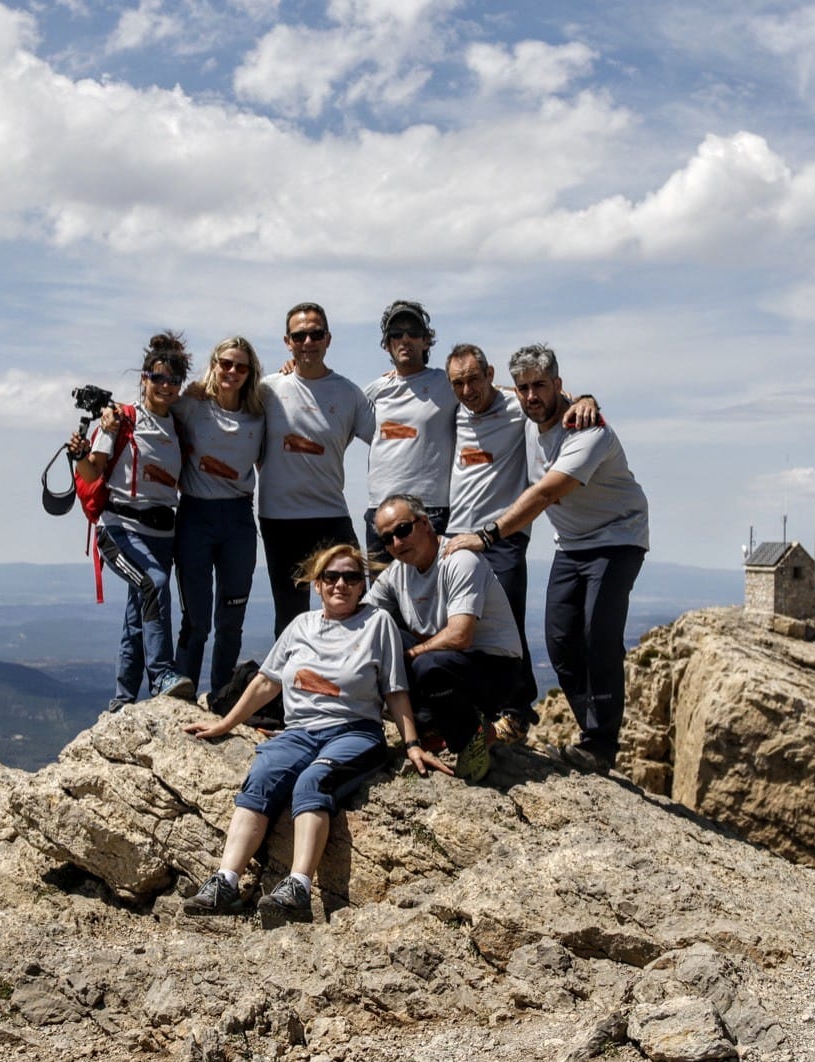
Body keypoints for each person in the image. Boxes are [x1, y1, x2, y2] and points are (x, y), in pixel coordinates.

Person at [182, 543, 450, 924]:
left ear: (362, 585)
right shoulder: (301, 626)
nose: (341, 584)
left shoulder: (377, 624)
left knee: (312, 782)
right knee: (260, 777)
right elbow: (266, 683)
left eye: (351, 577)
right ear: (317, 584)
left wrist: (411, 744)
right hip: (299, 732)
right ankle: (225, 882)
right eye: (331, 576)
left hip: (354, 733)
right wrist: (226, 724)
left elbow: (394, 690)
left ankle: (298, 889)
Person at [443, 344, 648, 774]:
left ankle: (600, 745)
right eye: (524, 388)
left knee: (597, 635)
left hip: (617, 539)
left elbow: (545, 493)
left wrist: (487, 535)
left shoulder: (589, 432)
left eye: (540, 385)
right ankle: (591, 734)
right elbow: (482, 388)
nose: (531, 395)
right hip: (571, 545)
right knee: (559, 641)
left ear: (559, 385)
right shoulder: (525, 415)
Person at [68, 333, 196, 711]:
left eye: (174, 380)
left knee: (137, 616)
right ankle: (161, 676)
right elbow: (92, 474)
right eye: (159, 378)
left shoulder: (177, 427)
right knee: (154, 584)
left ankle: (123, 699)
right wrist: (80, 454)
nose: (166, 386)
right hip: (120, 528)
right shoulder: (122, 421)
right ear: (144, 378)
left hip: (161, 534)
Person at [364, 493, 525, 783]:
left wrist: (412, 655)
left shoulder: (459, 560)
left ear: (424, 523)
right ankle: (430, 726)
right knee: (383, 635)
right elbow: (364, 619)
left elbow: (461, 635)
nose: (397, 543)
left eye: (403, 530)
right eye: (388, 539)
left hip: (496, 671)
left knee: (428, 665)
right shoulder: (397, 573)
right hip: (448, 664)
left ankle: (472, 737)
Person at [257, 302, 373, 637]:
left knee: (354, 601)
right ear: (287, 341)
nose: (308, 341)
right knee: (290, 612)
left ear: (328, 339)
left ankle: (350, 679)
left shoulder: (349, 393)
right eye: (300, 335)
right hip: (279, 518)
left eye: (315, 334)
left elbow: (385, 440)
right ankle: (288, 686)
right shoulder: (267, 389)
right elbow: (228, 410)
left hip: (329, 513)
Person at [171, 336, 266, 698]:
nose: (232, 371)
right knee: (196, 620)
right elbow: (154, 407)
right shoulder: (192, 406)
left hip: (239, 519)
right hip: (196, 514)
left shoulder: (260, 412)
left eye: (241, 366)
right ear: (214, 364)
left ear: (250, 372)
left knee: (232, 618)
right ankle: (183, 696)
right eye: (226, 363)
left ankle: (222, 697)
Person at [360, 300, 457, 564]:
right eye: (396, 334)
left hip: (429, 510)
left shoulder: (446, 384)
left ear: (426, 341)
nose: (405, 339)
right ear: (387, 344)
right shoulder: (374, 390)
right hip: (380, 511)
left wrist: (567, 397)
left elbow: (491, 395)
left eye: (413, 332)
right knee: (384, 602)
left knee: (432, 601)